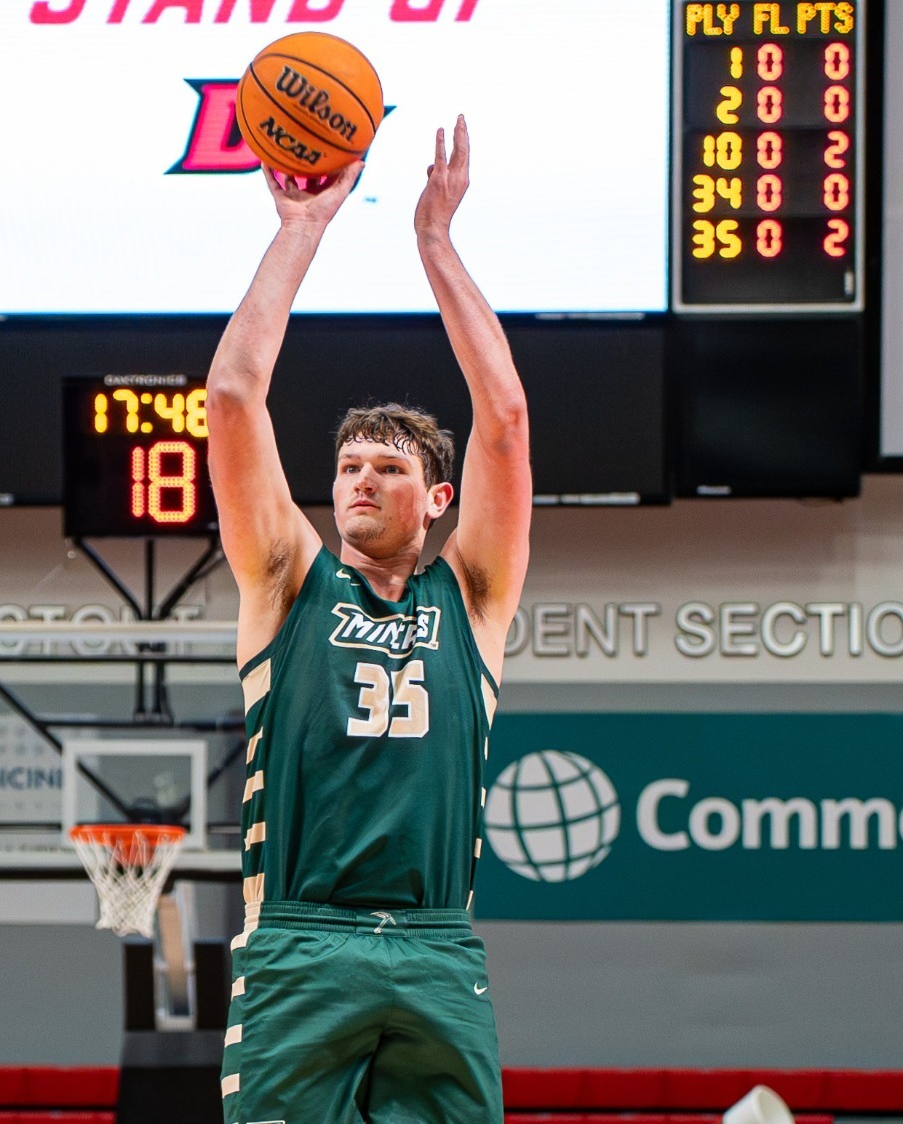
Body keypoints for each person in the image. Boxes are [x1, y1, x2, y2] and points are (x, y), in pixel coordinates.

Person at [208, 118, 531, 1124]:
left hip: (435, 942)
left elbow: (505, 417)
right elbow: (230, 394)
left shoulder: (470, 593)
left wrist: (435, 244)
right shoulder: (284, 581)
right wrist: (302, 225)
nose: (359, 479)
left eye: (387, 467)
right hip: (301, 937)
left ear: (435, 500)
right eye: (347, 465)